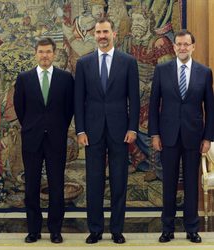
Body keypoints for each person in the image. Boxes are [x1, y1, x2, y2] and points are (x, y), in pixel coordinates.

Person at [74, 17, 140, 244]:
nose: (102, 35)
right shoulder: (83, 63)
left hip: (121, 131)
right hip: (91, 132)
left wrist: (133, 128)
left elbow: (135, 98)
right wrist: (80, 130)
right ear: (94, 35)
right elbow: (78, 100)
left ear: (114, 34)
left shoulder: (128, 62)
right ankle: (95, 230)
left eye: (105, 31)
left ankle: (117, 230)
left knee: (119, 181)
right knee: (94, 181)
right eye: (98, 32)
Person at [148, 30, 214, 243]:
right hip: (167, 136)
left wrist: (208, 138)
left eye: (187, 44)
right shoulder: (162, 70)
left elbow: (210, 109)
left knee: (191, 185)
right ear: (174, 47)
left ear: (193, 47)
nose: (183, 48)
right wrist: (155, 134)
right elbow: (153, 105)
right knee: (168, 183)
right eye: (179, 44)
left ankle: (191, 228)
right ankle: (167, 228)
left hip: (194, 137)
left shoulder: (204, 72)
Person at [13, 38, 74, 244]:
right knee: (32, 185)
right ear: (36, 53)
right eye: (41, 52)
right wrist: (33, 127)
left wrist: (56, 127)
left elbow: (69, 109)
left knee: (57, 185)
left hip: (56, 138)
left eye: (48, 51)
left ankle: (55, 230)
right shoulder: (24, 78)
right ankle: (34, 230)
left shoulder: (66, 78)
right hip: (32, 139)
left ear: (54, 53)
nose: (45, 55)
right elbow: (20, 109)